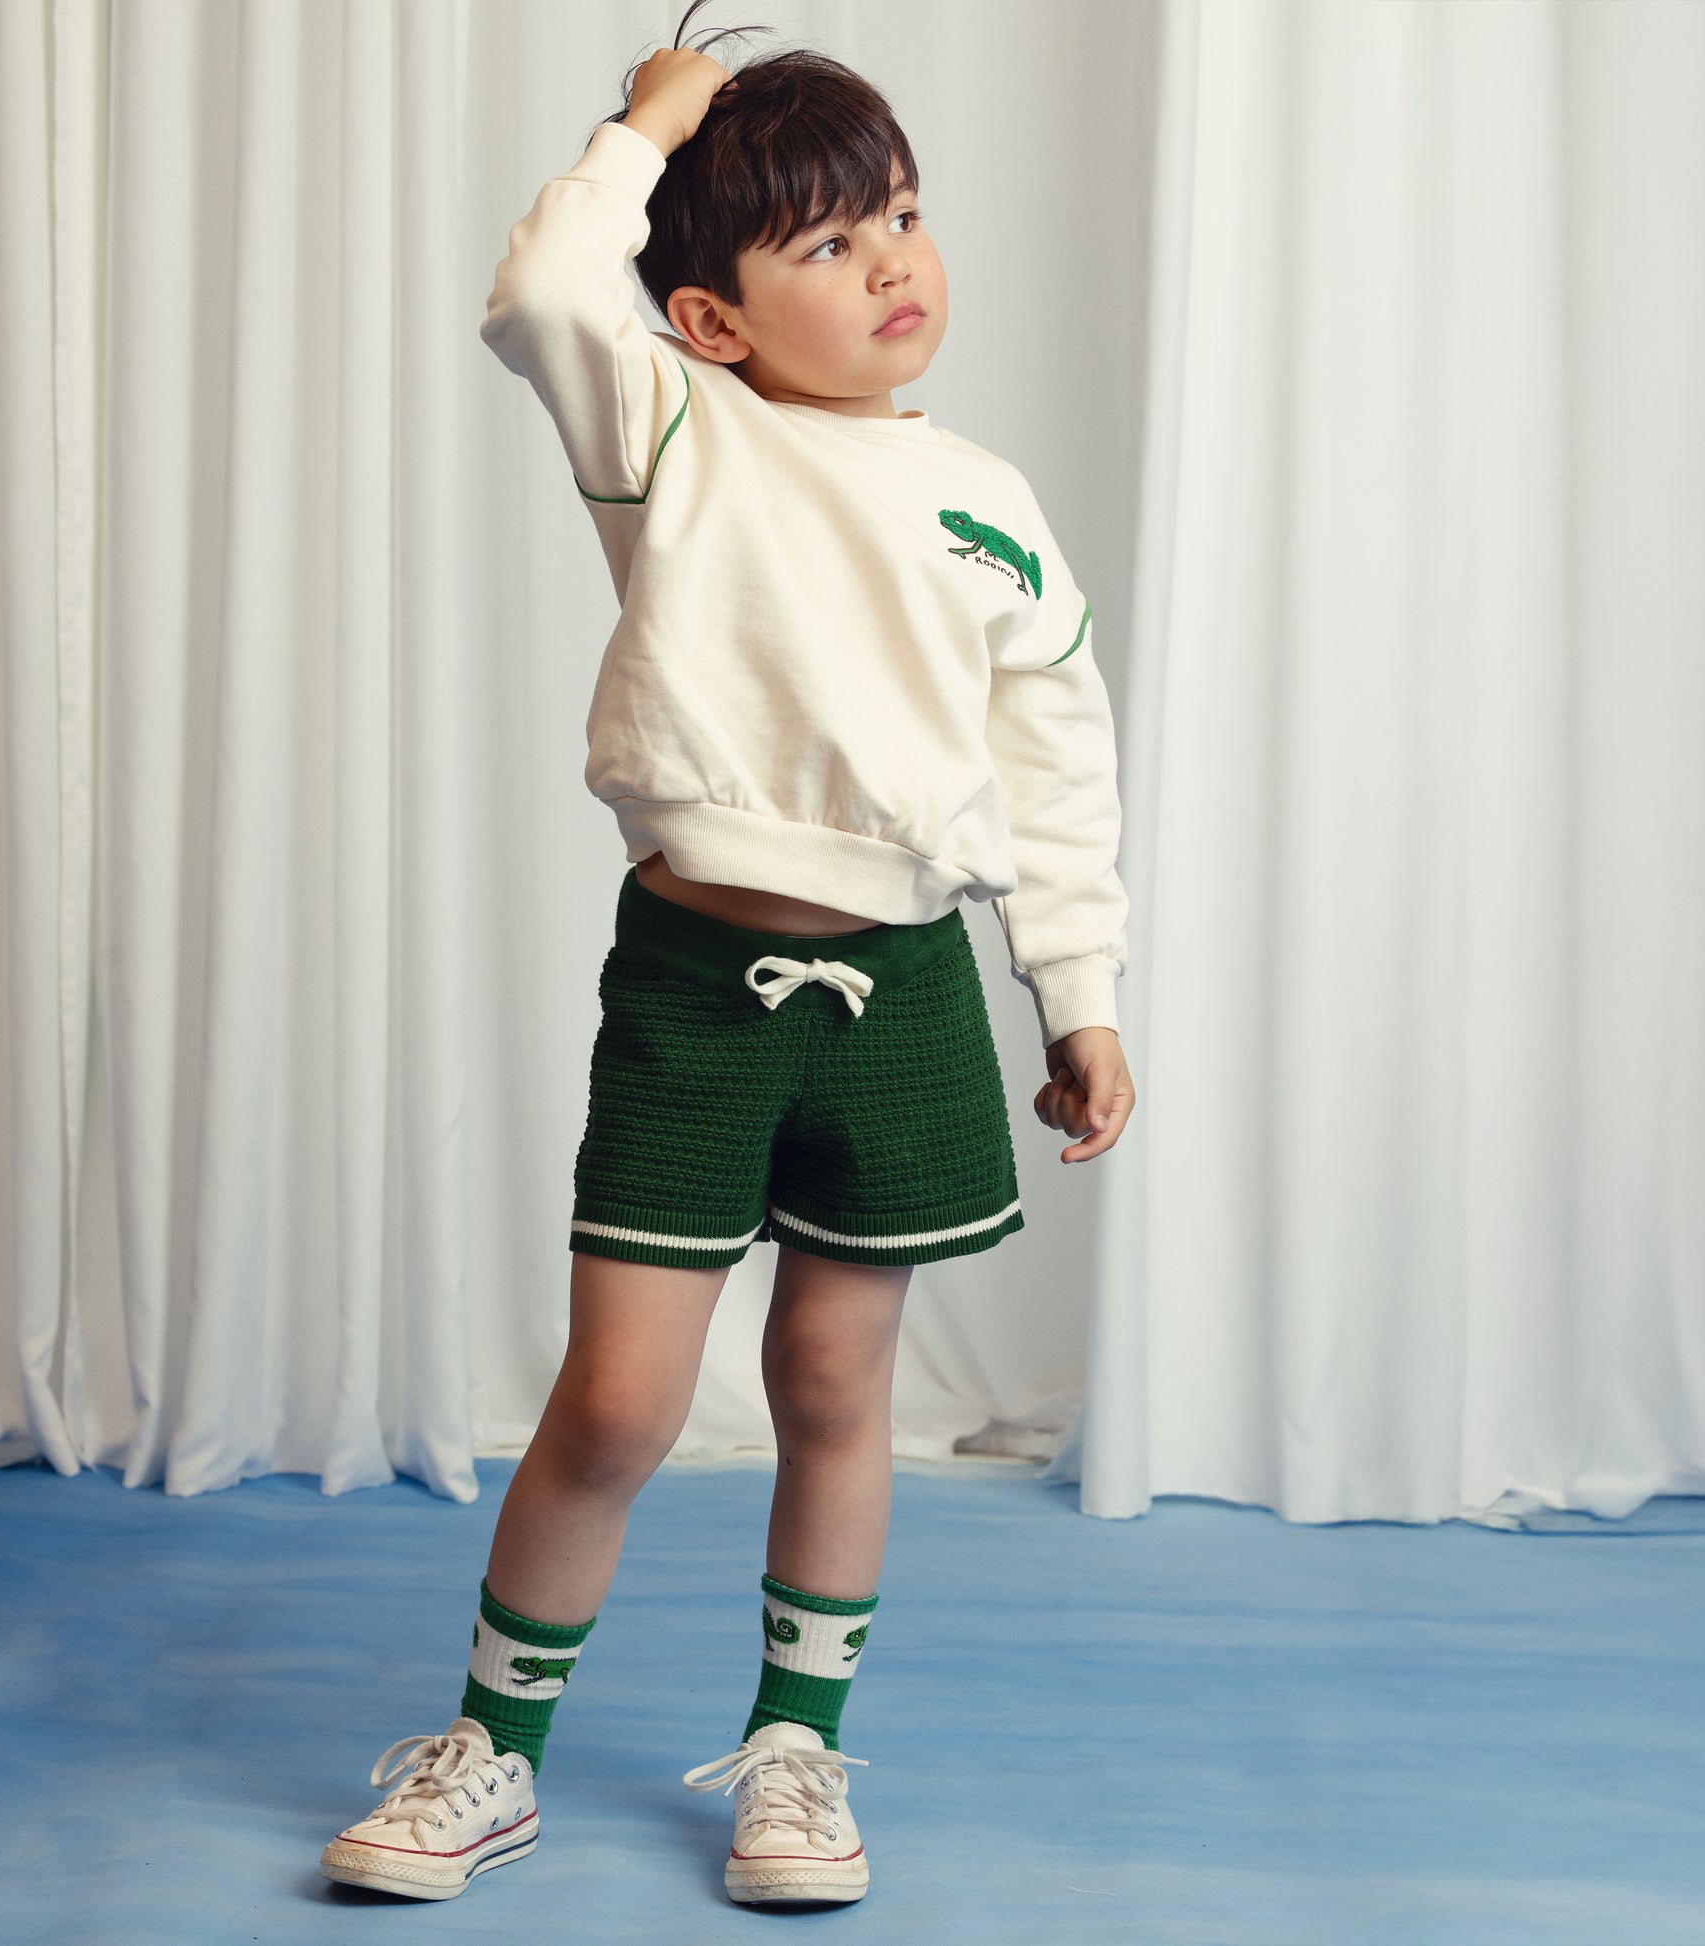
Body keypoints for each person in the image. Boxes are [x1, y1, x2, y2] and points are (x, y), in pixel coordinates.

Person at [319, 0, 1134, 1909]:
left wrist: (1075, 992)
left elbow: (1056, 767)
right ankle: (488, 1757)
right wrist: (648, 123)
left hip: (907, 996)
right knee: (614, 1400)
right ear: (709, 319)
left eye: (902, 217)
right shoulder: (678, 432)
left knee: (839, 1387)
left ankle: (797, 1754)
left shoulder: (992, 505)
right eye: (827, 245)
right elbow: (540, 291)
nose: (893, 265)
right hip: (696, 999)